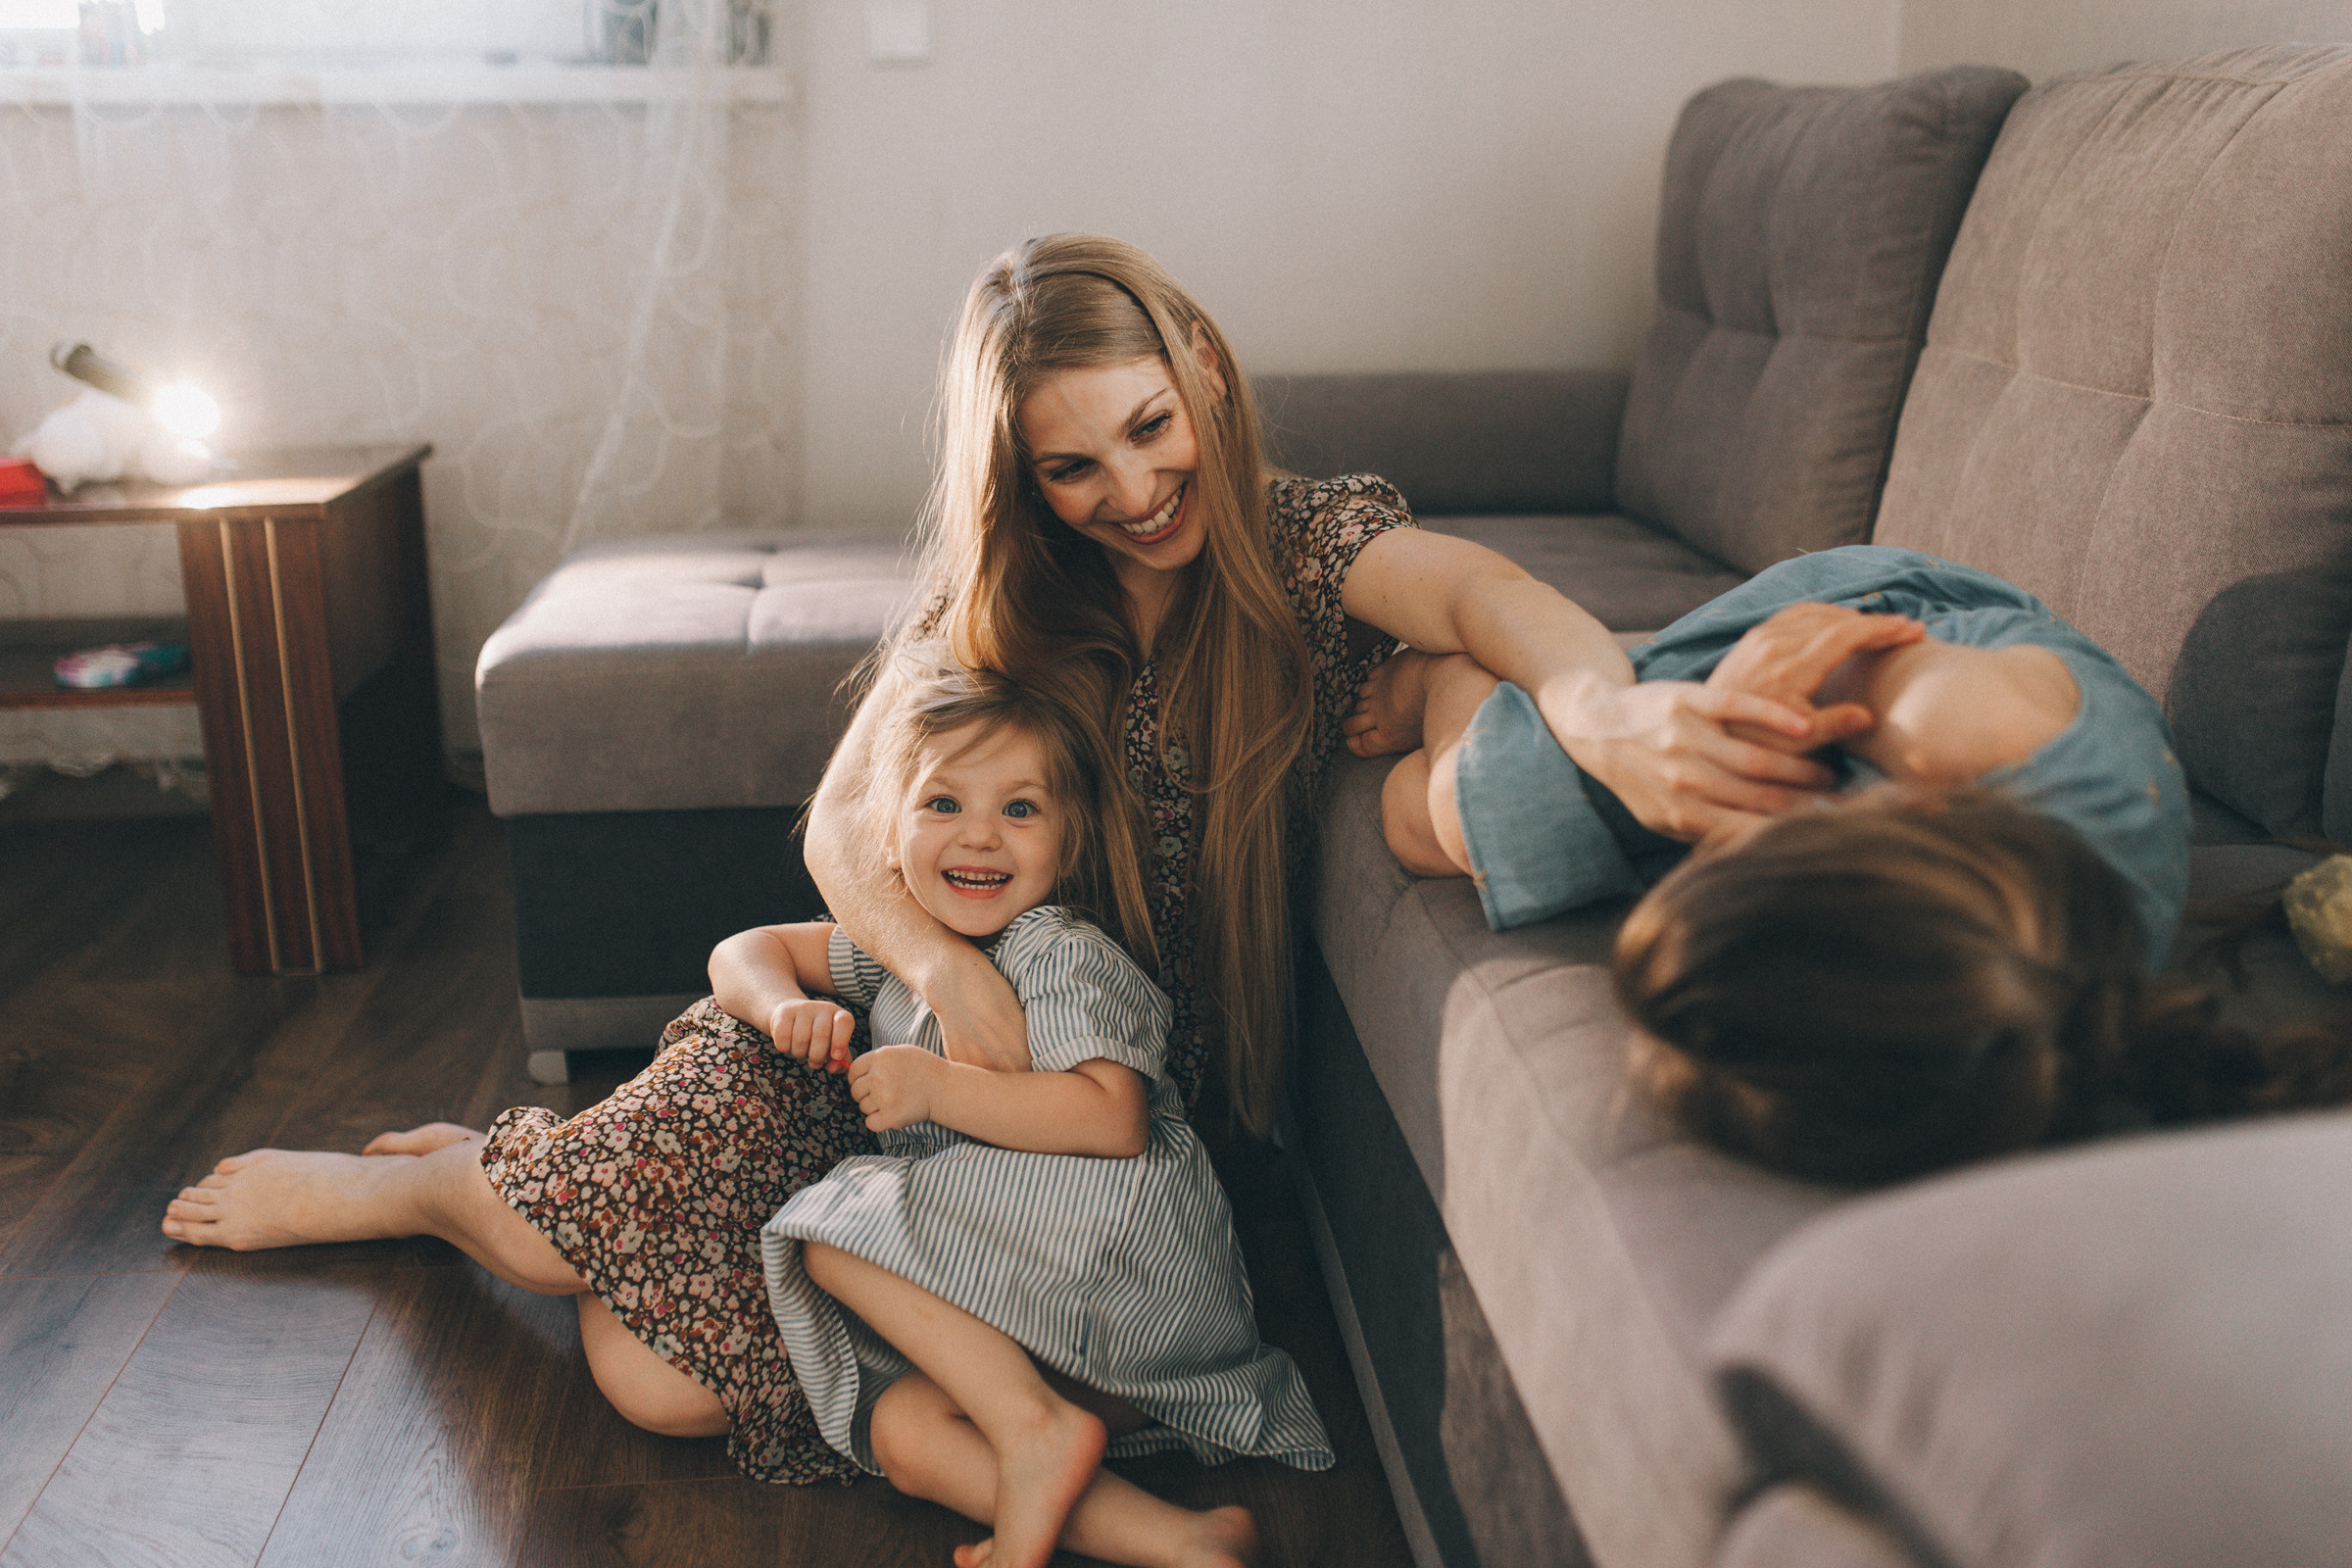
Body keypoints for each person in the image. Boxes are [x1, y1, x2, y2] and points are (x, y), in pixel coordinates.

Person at [157, 232, 1826, 1478]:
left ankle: (511, 1163)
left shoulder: (1309, 549)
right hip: (893, 1036)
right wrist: (949, 974)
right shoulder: (1015, 599)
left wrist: (1602, 713)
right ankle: (440, 1184)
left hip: (1042, 1108)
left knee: (651, 1381)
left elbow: (1485, 604)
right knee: (543, 1244)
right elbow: (836, 822)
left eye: (1152, 431)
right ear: (1024, 476)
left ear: (1208, 379)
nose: (1135, 490)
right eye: (1075, 465)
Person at [1354, 544, 2352, 1182]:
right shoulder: (1952, 721)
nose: (1700, 849)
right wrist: (1746, 703)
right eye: (1725, 859)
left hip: (1879, 812)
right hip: (1866, 634)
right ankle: (1446, 677)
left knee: (1422, 823)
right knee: (1575, 785)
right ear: (1838, 856)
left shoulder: (1976, 1027)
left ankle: (1451, 694)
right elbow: (1815, 647)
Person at [753, 662, 1327, 1568]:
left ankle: (1031, 1429)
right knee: (905, 1431)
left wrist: (940, 1090)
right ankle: (1183, 1541)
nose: (979, 836)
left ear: (1068, 842)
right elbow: (746, 950)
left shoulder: (1055, 950)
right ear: (887, 835)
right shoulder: (906, 955)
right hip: (1062, 1324)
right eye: (942, 803)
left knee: (833, 1228)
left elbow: (1113, 1119)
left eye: (1020, 810)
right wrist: (781, 1004)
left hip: (1125, 1277)